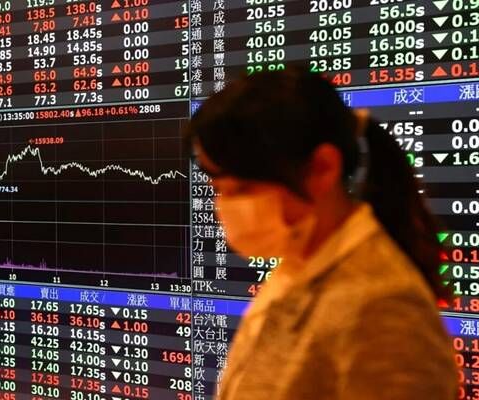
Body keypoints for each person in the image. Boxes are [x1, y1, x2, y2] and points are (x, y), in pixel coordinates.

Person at [185, 67, 457, 400]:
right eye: (219, 189)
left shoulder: (384, 308)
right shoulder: (299, 268)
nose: (226, 207)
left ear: (322, 169)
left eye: (243, 188)